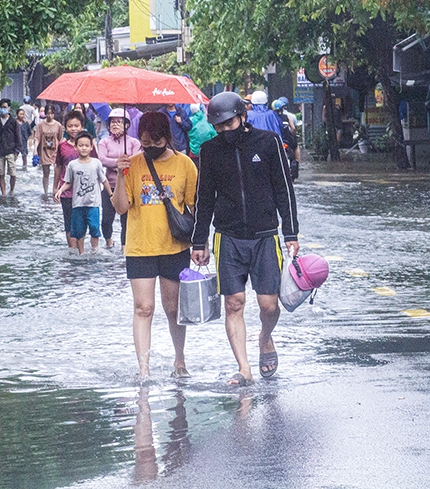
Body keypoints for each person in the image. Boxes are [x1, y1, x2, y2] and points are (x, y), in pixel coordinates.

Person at [191, 92, 299, 386]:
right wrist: (199, 241)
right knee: (234, 303)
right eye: (219, 127)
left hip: (265, 236)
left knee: (268, 305)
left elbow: (284, 190)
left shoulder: (268, 143)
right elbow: (204, 199)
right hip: (228, 237)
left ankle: (265, 338)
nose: (225, 131)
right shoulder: (210, 151)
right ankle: (243, 367)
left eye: (229, 124)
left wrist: (290, 232)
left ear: (242, 116)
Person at [111, 111, 198, 381]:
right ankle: (144, 369)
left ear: (167, 138)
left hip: (174, 247)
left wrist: (200, 245)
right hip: (140, 247)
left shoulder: (185, 165)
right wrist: (121, 175)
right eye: (144, 143)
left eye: (156, 143)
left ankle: (179, 359)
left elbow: (194, 208)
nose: (149, 148)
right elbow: (121, 208)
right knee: (143, 308)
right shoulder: (132, 164)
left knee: (173, 309)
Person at [54, 131, 112, 254]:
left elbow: (104, 180)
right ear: (75, 147)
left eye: (86, 145)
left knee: (95, 228)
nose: (84, 148)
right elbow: (68, 182)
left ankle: (95, 250)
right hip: (78, 204)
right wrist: (60, 190)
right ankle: (81, 253)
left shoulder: (96, 163)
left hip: (93, 203)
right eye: (81, 145)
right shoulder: (72, 165)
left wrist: (111, 194)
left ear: (91, 147)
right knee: (79, 231)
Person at [98, 108, 141, 250]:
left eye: (119, 122)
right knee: (106, 219)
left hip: (128, 185)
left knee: (126, 219)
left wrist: (120, 164)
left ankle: (124, 246)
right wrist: (119, 163)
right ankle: (108, 241)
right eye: (113, 122)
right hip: (109, 185)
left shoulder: (134, 142)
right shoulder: (104, 142)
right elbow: (102, 159)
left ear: (126, 125)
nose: (115, 125)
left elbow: (134, 160)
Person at [55, 110, 98, 248]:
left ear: (82, 126)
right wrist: (55, 187)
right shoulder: (62, 146)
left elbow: (96, 166)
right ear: (65, 127)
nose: (73, 129)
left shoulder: (89, 145)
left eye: (76, 125)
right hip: (67, 191)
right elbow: (58, 166)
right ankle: (73, 250)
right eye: (70, 126)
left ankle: (83, 249)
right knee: (69, 222)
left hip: (85, 191)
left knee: (85, 221)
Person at [0, 98, 23, 196]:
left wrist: (17, 151)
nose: (2, 109)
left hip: (11, 151)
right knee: (1, 174)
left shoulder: (13, 122)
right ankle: (3, 194)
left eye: (4, 107)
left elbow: (18, 136)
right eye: (1, 107)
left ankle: (11, 190)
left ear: (9, 108)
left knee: (13, 173)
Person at [35, 104, 63, 196]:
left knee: (57, 172)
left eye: (51, 113)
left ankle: (55, 190)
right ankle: (46, 192)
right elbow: (37, 138)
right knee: (46, 173)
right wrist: (35, 150)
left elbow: (60, 139)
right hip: (44, 151)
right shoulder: (40, 125)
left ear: (54, 114)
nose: (49, 115)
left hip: (55, 151)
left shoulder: (58, 125)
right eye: (48, 113)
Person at [274, 99, 300, 180]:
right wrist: (293, 133)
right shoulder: (286, 117)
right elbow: (293, 128)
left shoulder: (272, 117)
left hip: (276, 139)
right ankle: (297, 163)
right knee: (296, 147)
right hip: (287, 139)